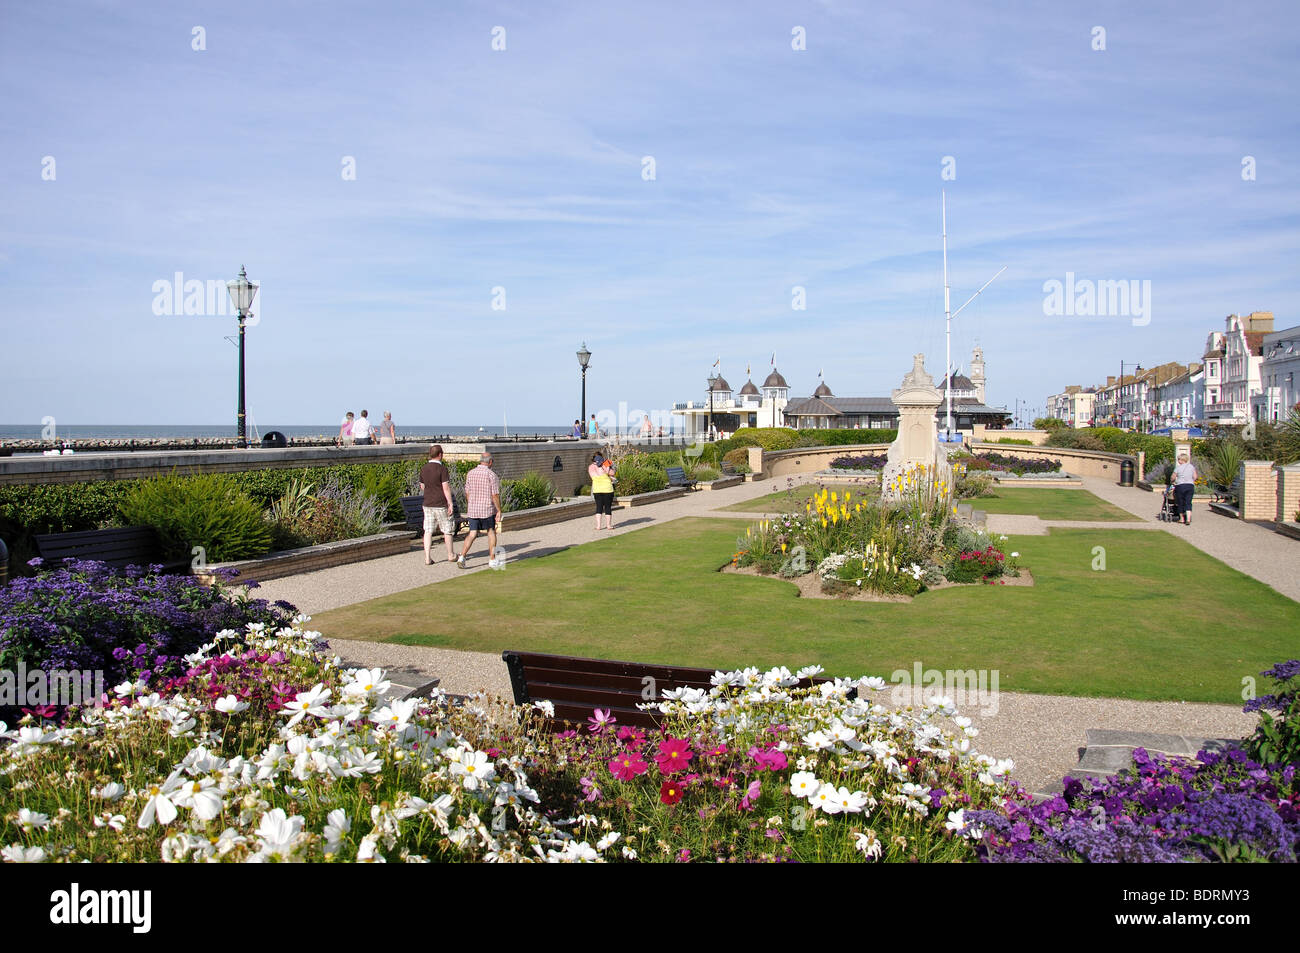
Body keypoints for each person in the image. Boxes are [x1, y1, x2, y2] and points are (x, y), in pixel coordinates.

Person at [458, 452, 503, 568]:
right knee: (491, 532)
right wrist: (499, 510)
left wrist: (471, 503)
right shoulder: (491, 475)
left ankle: (462, 556)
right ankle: (492, 559)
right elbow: (495, 495)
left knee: (472, 533)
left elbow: (467, 492)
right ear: (490, 462)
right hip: (487, 509)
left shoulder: (470, 473)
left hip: (473, 509)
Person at [419, 444, 455, 565]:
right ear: (440, 455)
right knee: (447, 529)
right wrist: (450, 503)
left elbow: (422, 486)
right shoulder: (442, 469)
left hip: (427, 503)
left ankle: (427, 557)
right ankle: (450, 554)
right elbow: (446, 488)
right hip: (440, 503)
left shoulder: (424, 468)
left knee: (428, 530)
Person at [589, 452, 615, 530]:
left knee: (599, 507)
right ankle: (608, 525)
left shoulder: (591, 467)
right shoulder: (605, 464)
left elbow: (592, 476)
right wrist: (610, 466)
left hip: (597, 489)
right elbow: (612, 473)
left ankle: (598, 526)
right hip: (607, 489)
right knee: (608, 507)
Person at [1172, 452, 1197, 526]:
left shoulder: (1178, 468)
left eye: (1178, 459)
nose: (1178, 461)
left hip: (1180, 486)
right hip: (1190, 486)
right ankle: (1188, 519)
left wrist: (1172, 481)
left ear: (1181, 460)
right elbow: (1195, 477)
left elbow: (1173, 477)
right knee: (1188, 502)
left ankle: (1182, 518)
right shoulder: (1191, 467)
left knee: (1181, 502)